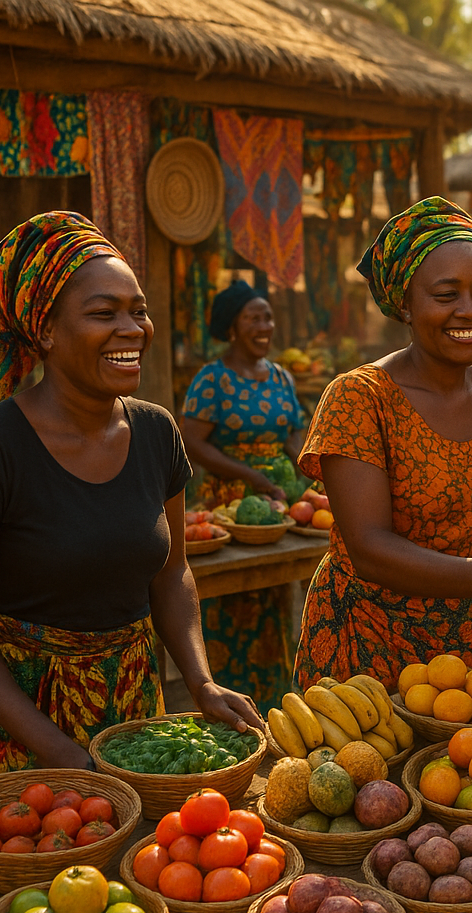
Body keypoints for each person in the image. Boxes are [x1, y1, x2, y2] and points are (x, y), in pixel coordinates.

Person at [0, 212, 262, 778]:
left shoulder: (156, 433)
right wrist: (62, 753)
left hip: (135, 722)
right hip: (21, 734)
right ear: (45, 330)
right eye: (104, 313)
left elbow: (171, 573)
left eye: (139, 310)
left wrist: (200, 681)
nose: (133, 329)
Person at [293, 197, 472, 700]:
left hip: (471, 657)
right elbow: (369, 549)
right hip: (365, 644)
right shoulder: (359, 398)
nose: (469, 310)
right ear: (404, 304)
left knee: (470, 772)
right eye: (446, 294)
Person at [180, 280, 306, 713]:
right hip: (228, 503)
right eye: (254, 317)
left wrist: (308, 471)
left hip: (275, 503)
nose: (264, 325)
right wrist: (250, 476)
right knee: (229, 601)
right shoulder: (211, 379)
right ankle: (222, 700)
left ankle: (272, 703)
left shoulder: (282, 377)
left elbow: (294, 431)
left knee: (273, 595)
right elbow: (193, 441)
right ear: (232, 327)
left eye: (267, 316)